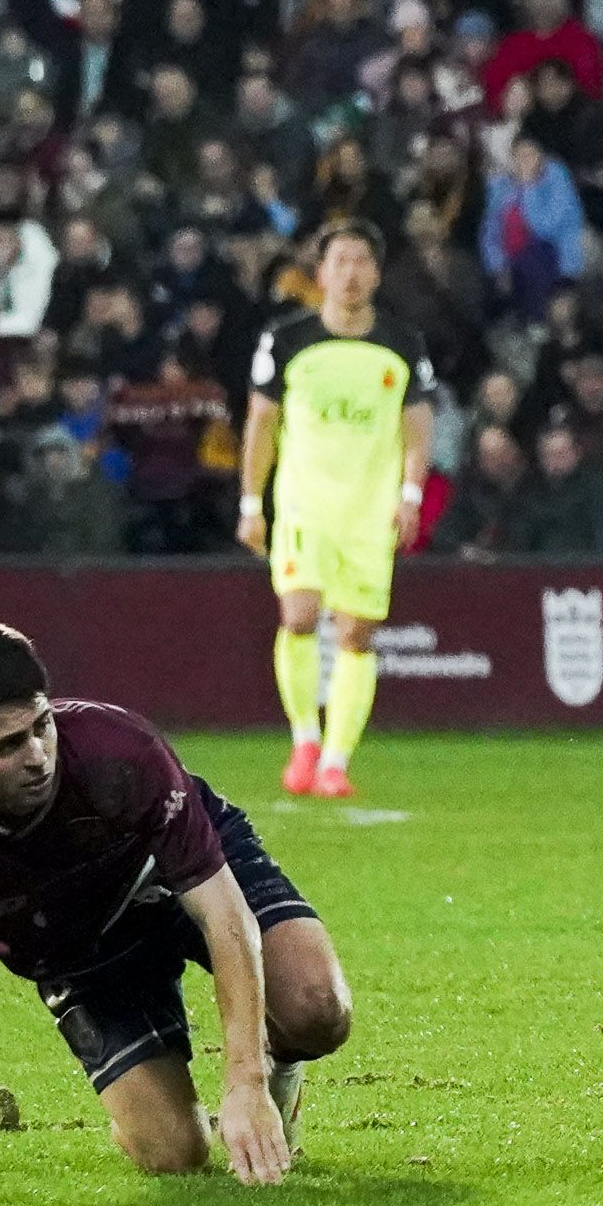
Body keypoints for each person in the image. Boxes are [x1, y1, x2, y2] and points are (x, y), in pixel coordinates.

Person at [0, 620, 350, 1188]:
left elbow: (222, 913)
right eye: (6, 746)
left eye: (41, 726)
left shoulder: (119, 749)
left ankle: (278, 1082)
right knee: (176, 1152)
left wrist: (245, 1077)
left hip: (170, 883)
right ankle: (156, 1107)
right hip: (76, 949)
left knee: (318, 1008)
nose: (37, 756)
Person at [237, 220, 436, 800]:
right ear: (320, 273)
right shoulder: (288, 339)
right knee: (298, 617)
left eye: (361, 262)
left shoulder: (402, 343)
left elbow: (418, 427)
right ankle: (303, 739)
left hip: (369, 509)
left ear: (375, 274)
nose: (351, 273)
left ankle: (336, 760)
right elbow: (261, 424)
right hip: (304, 502)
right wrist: (253, 502)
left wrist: (410, 496)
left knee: (357, 633)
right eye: (340, 261)